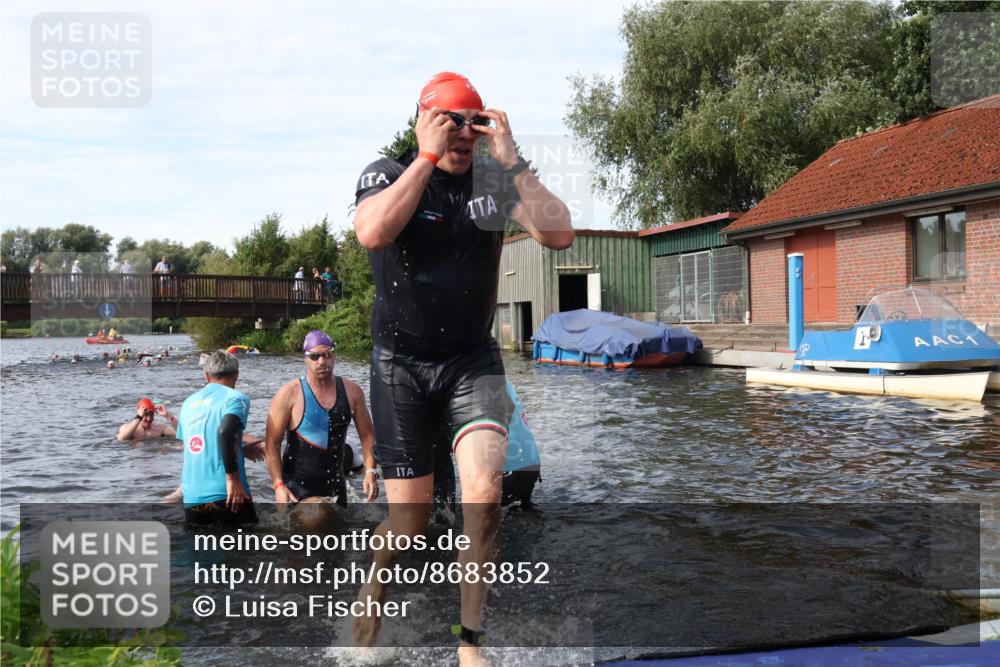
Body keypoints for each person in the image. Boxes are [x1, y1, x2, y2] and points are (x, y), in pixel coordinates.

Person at [351, 71, 574, 662]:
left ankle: (469, 644)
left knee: (483, 490)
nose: (462, 135)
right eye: (449, 121)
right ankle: (373, 589)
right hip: (400, 363)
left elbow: (560, 235)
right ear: (423, 120)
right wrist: (425, 158)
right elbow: (372, 231)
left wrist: (513, 159)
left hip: (470, 361)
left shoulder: (495, 180)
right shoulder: (388, 172)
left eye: (472, 124)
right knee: (411, 519)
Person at [264, 330, 378, 509]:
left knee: (339, 531)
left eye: (327, 355)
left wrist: (371, 471)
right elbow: (272, 443)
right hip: (297, 487)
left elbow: (367, 435)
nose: (322, 361)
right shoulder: (288, 394)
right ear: (306, 359)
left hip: (335, 486)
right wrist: (278, 485)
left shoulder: (352, 391)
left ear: (334, 356)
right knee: (318, 515)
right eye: (315, 356)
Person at [177, 351, 257, 525]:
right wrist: (232, 478)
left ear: (206, 375)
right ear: (237, 374)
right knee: (251, 547)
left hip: (192, 497)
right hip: (228, 492)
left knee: (204, 548)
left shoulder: (188, 403)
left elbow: (197, 446)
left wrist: (242, 449)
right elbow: (225, 432)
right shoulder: (236, 399)